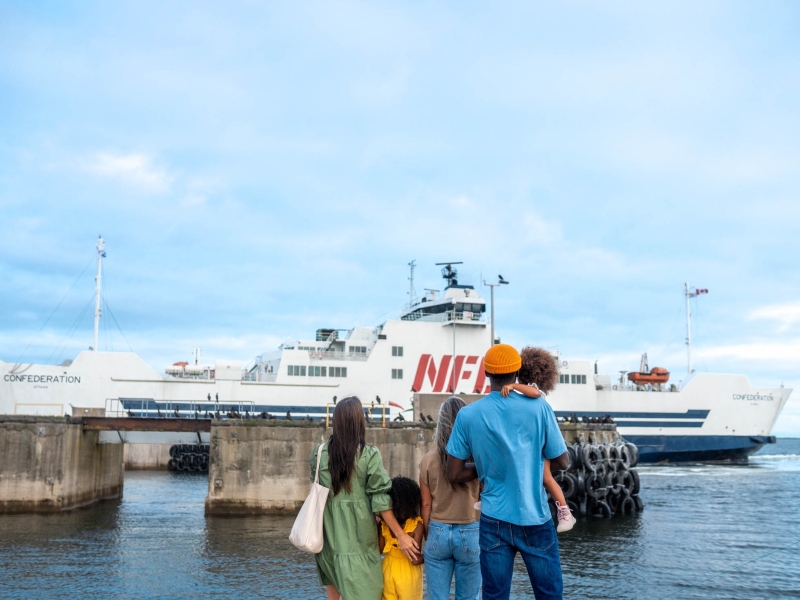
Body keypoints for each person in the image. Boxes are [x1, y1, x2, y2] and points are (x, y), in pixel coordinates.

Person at [446, 344, 569, 600]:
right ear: (517, 371)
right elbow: (562, 461)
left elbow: (454, 473)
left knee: (494, 595)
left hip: (494, 519)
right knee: (549, 594)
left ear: (486, 374)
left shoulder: (468, 415)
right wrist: (531, 466)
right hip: (535, 516)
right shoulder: (540, 408)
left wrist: (486, 468)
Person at [311, 397, 421, 600]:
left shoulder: (318, 454)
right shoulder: (369, 455)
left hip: (328, 541)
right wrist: (401, 535)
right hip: (359, 541)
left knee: (334, 597)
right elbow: (380, 501)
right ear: (359, 422)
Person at [500, 346, 576, 533]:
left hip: (539, 447)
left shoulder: (533, 392)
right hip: (535, 445)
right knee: (542, 477)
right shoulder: (529, 398)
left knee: (546, 477)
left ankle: (565, 512)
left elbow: (534, 393)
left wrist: (513, 385)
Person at [419, 396, 481, 600]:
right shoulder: (476, 457)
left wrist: (430, 535)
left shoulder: (428, 459)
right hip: (471, 529)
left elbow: (426, 504)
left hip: (438, 529)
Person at [378, 476, 425, 600]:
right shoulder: (416, 526)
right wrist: (429, 558)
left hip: (387, 569)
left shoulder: (385, 524)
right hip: (408, 573)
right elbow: (415, 559)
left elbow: (380, 549)